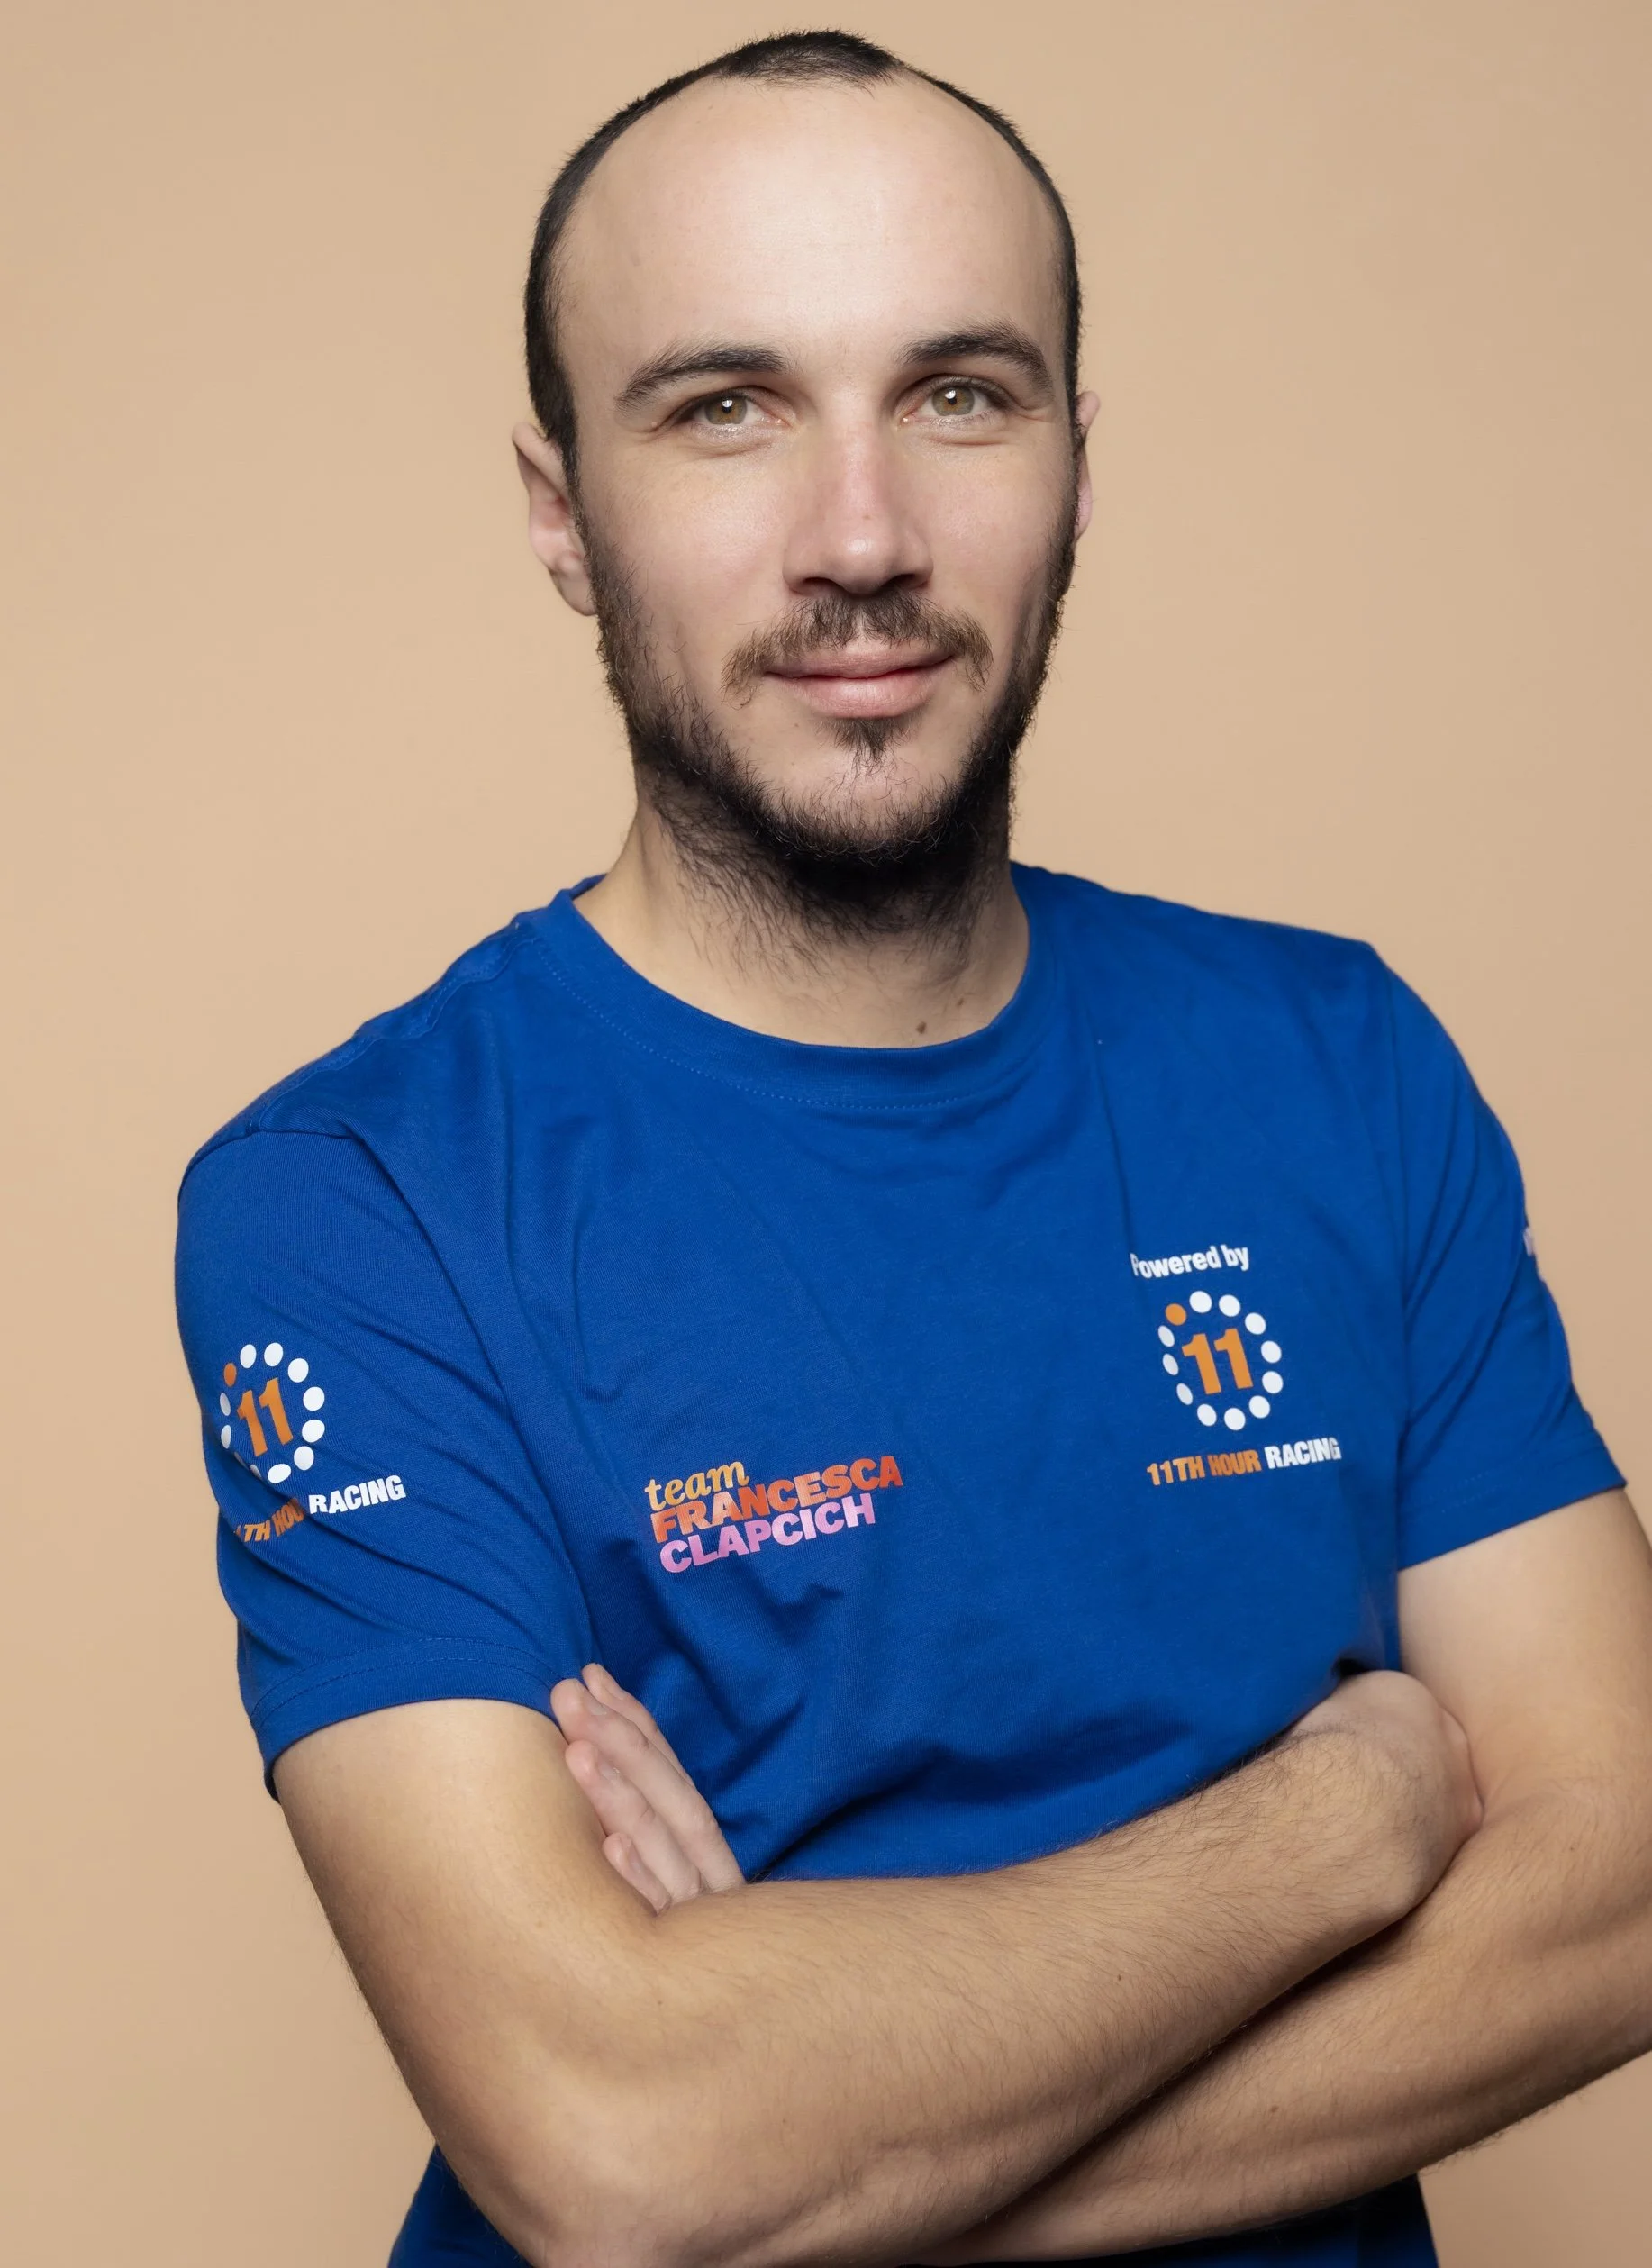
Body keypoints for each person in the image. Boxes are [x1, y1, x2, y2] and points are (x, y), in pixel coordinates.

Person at [173, 31, 1652, 2268]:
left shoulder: (1332, 1060)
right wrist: (1341, 1818)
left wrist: (834, 2159)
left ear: (1076, 458)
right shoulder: (354, 1194)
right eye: (724, 407)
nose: (859, 539)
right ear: (561, 507)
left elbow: (1619, 1869)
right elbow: (614, 2141)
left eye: (959, 394)